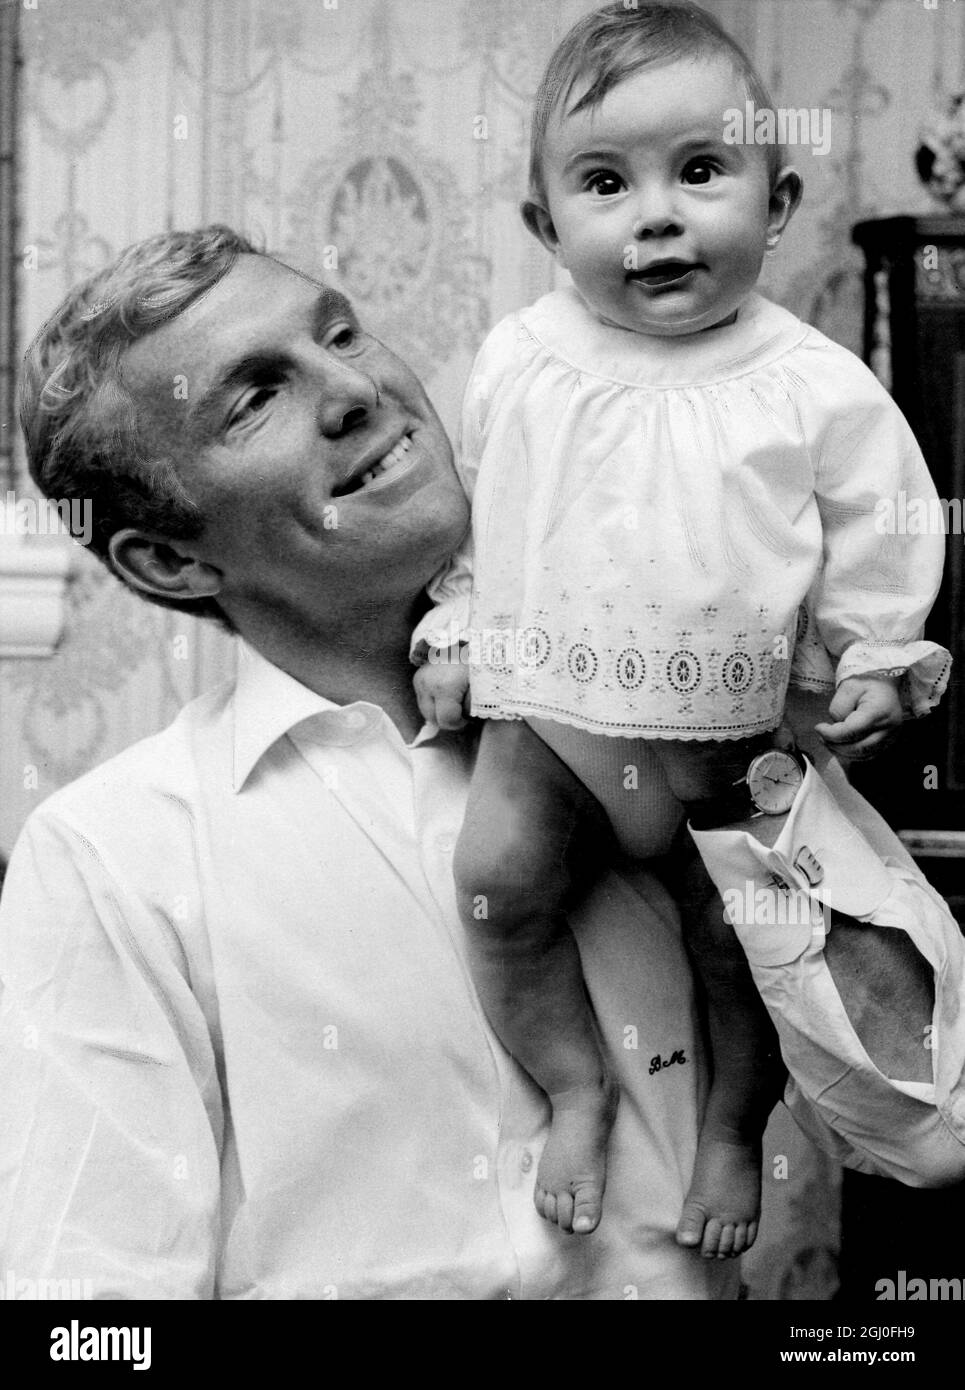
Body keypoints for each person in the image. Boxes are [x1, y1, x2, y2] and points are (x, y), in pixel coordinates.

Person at [0, 225, 739, 1300]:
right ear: (168, 557)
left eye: (340, 332)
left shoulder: (661, 720)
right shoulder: (113, 861)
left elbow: (923, 1131)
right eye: (253, 398)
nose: (353, 388)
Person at [411, 0, 954, 1258]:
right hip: (547, 718)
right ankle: (574, 1087)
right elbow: (490, 512)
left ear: (774, 202)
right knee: (496, 886)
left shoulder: (808, 379)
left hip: (725, 740)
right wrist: (458, 627)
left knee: (748, 942)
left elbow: (882, 513)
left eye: (698, 172)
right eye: (605, 183)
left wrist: (877, 649)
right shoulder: (521, 358)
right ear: (547, 226)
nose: (655, 214)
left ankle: (726, 1122)